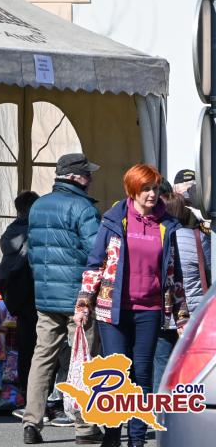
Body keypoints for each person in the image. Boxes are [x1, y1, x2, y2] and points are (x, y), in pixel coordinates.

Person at [76, 164, 190, 447]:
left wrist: (182, 317)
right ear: (132, 190)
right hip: (112, 310)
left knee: (142, 373)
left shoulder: (167, 225)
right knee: (116, 374)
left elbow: (174, 275)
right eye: (146, 189)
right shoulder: (114, 221)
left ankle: (136, 440)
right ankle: (112, 436)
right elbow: (95, 264)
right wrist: (83, 302)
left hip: (150, 310)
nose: (152, 194)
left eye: (155, 189)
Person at [23, 153, 103, 445]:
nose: (91, 178)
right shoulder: (83, 208)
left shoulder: (38, 206)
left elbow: (32, 252)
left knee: (42, 357)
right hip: (78, 297)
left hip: (46, 296)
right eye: (87, 174)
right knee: (84, 359)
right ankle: (85, 427)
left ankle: (31, 422)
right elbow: (96, 252)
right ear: (74, 177)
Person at [153, 192, 210, 392]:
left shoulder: (156, 237)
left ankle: (159, 405)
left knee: (161, 363)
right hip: (194, 315)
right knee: (192, 366)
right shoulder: (199, 238)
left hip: (164, 312)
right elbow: (210, 272)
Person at [0, 190, 39, 401]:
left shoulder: (9, 232)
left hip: (17, 295)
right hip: (35, 292)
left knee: (25, 344)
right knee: (44, 346)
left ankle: (24, 389)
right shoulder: (36, 231)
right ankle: (40, 392)